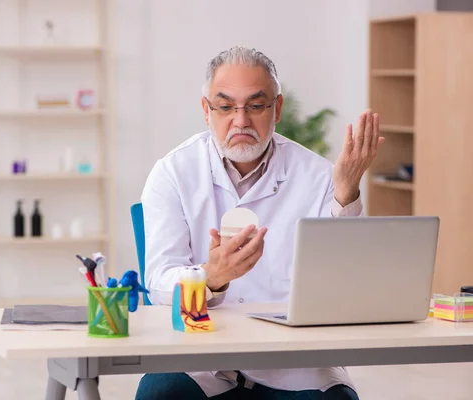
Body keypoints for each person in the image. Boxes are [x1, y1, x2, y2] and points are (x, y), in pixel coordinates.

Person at [135, 46, 383, 400]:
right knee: (160, 395)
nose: (240, 121)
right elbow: (159, 282)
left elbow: (348, 280)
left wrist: (346, 193)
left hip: (294, 361)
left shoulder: (318, 175)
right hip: (201, 357)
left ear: (277, 108)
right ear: (206, 111)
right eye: (225, 107)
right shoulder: (173, 173)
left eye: (256, 105)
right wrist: (211, 276)